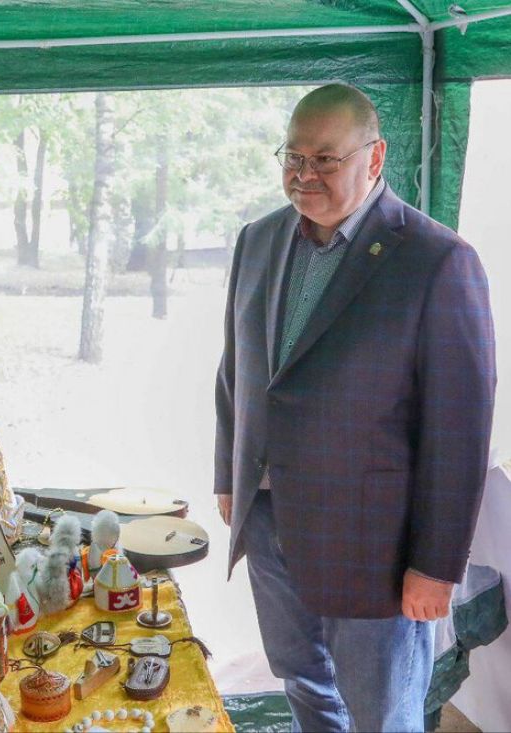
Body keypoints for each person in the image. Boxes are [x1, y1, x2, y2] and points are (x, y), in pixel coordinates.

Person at [214, 83, 496, 732]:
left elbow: (459, 431)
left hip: (373, 546)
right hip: (268, 518)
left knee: (380, 712)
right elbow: (236, 370)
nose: (303, 174)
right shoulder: (257, 240)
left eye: (325, 159)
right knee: (302, 681)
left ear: (375, 157)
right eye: (293, 156)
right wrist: (229, 477)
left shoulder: (438, 261)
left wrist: (436, 566)